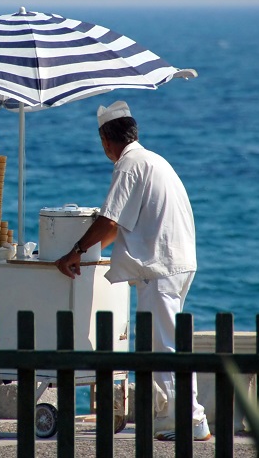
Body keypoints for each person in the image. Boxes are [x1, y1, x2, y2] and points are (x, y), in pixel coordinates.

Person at [55, 100, 210, 442]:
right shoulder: (152, 160)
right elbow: (115, 226)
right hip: (175, 263)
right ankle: (183, 418)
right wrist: (86, 252)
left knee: (163, 348)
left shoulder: (128, 165)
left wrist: (76, 251)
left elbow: (109, 219)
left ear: (106, 141)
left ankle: (187, 422)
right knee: (167, 344)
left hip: (161, 267)